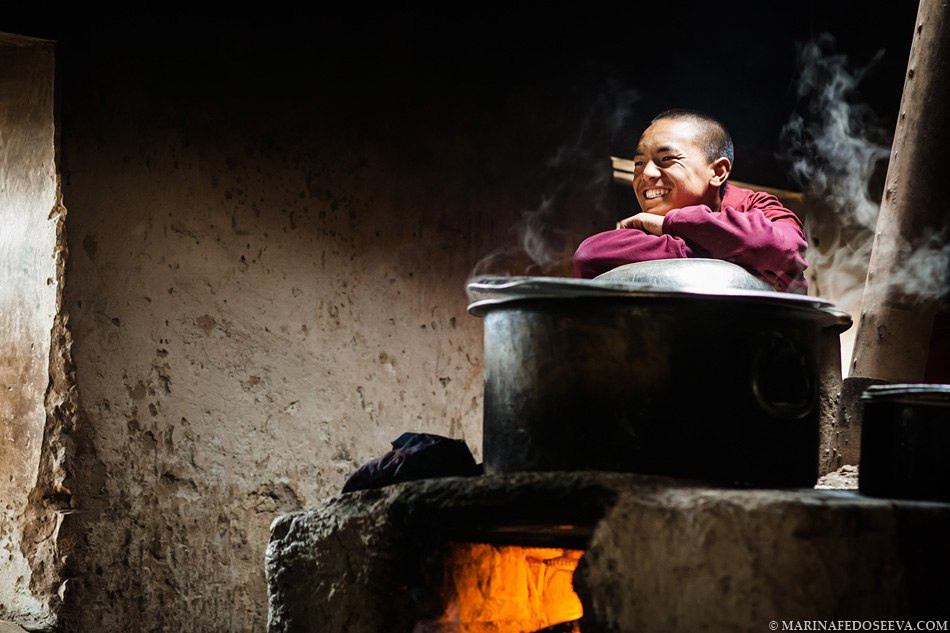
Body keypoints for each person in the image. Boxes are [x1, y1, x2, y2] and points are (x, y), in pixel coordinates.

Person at [573, 109, 808, 293]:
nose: (646, 174)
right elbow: (590, 255)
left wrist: (669, 224)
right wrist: (721, 246)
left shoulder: (760, 208)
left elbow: (784, 249)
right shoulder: (641, 230)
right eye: (639, 163)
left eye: (666, 159)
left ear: (717, 172)